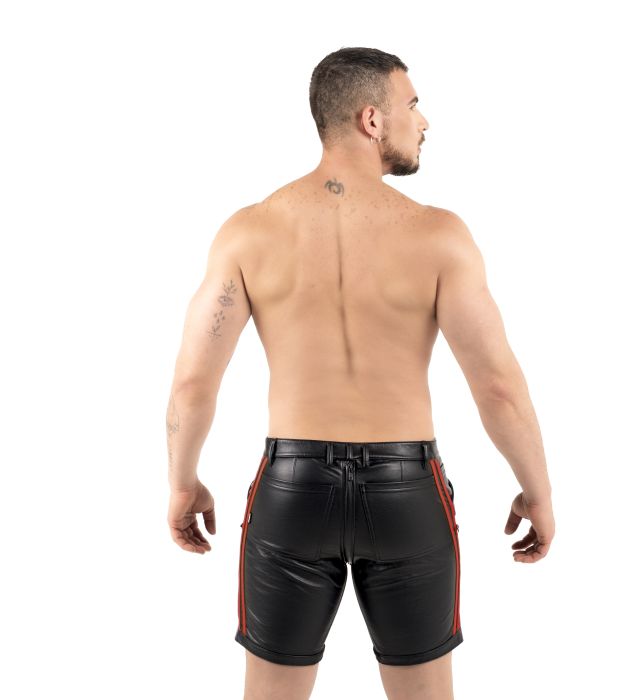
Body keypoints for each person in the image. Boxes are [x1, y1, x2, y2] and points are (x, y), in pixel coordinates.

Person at [165, 46, 555, 700]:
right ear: (372, 120)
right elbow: (497, 386)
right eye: (412, 105)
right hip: (407, 491)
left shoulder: (249, 233)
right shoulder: (437, 236)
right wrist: (536, 490)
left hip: (292, 488)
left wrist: (182, 483)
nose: (424, 121)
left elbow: (192, 384)